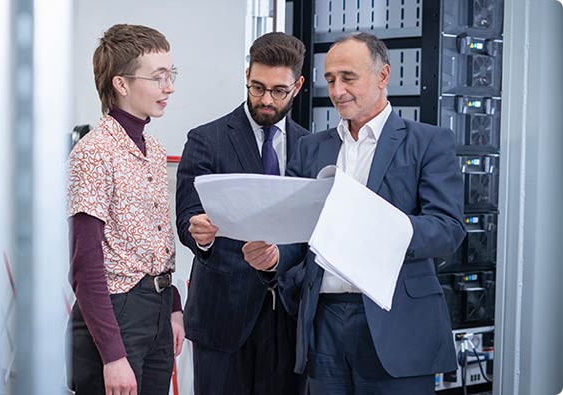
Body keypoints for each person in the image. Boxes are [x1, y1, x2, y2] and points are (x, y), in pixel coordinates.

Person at [243, 32, 466, 393]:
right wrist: (273, 258)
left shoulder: (427, 142)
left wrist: (376, 223)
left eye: (348, 77)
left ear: (382, 76)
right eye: (330, 79)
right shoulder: (311, 148)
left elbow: (447, 230)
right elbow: (298, 235)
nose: (337, 90)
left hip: (398, 324)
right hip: (323, 321)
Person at [175, 32, 309, 394]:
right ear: (247, 75)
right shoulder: (206, 139)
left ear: (297, 85)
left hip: (288, 317)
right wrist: (198, 234)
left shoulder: (309, 146)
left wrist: (281, 258)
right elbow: (187, 214)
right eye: (257, 87)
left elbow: (314, 230)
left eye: (278, 90)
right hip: (222, 316)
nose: (266, 99)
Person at [66, 24, 185, 395]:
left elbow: (155, 237)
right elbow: (85, 265)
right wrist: (113, 356)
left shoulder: (152, 147)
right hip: (116, 315)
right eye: (158, 77)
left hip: (157, 308)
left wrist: (174, 305)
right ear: (121, 83)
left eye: (171, 74)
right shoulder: (94, 152)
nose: (170, 87)